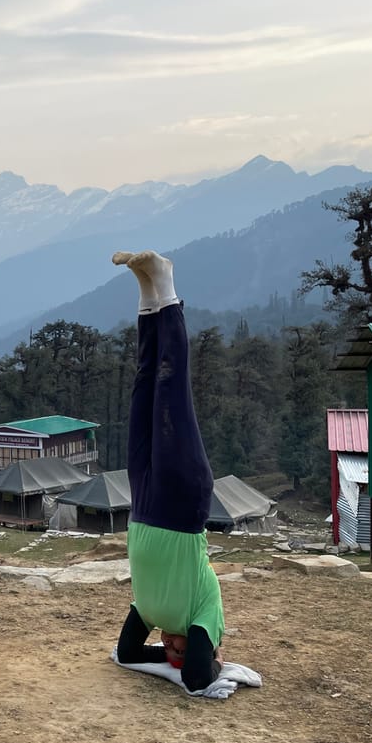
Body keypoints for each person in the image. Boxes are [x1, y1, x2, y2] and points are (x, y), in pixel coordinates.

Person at [111, 250, 226, 693]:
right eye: (186, 652)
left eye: (170, 654)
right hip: (182, 502)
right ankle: (168, 285)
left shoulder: (151, 613)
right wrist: (211, 664)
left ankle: (146, 295)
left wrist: (162, 658)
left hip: (142, 504)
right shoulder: (204, 609)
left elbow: (127, 653)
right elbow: (197, 678)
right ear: (213, 643)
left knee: (143, 389)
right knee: (170, 386)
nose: (175, 655)